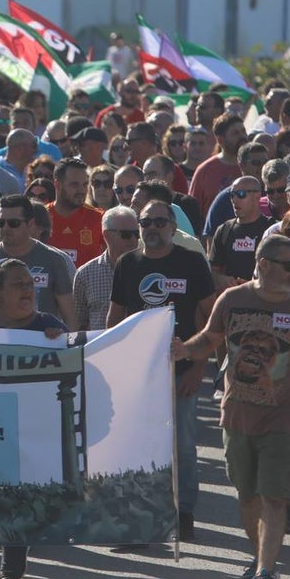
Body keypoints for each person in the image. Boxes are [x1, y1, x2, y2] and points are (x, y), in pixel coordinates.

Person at [173, 235, 290, 579]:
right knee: (247, 496)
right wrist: (183, 349)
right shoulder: (233, 300)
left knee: (274, 497)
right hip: (236, 415)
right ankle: (259, 558)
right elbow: (209, 338)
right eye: (289, 265)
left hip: (282, 418)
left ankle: (265, 571)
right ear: (263, 263)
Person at [107, 200, 215, 541]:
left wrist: (200, 366)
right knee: (137, 445)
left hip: (181, 372)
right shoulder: (128, 263)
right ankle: (141, 514)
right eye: (145, 221)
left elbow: (212, 320)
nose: (152, 227)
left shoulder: (192, 262)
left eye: (159, 221)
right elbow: (115, 319)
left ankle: (183, 512)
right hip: (140, 376)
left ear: (172, 227)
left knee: (181, 446)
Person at [0, 258, 68, 579]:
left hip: (33, 429)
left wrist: (61, 341)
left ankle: (10, 573)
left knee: (17, 500)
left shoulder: (48, 325)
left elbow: (78, 366)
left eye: (30, 283)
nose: (28, 290)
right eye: (18, 284)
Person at [0, 195, 77, 329]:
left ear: (30, 224)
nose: (6, 228)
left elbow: (70, 316)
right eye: (1, 223)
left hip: (40, 342)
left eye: (13, 223)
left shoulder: (53, 259)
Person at [73, 205, 140, 331]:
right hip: (101, 348)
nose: (133, 240)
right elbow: (78, 322)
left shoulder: (147, 270)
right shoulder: (85, 274)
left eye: (137, 234)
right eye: (126, 234)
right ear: (107, 236)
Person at [209, 176, 274, 290]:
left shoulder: (271, 229)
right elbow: (212, 271)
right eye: (232, 195)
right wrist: (222, 280)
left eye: (241, 194)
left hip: (263, 300)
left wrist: (253, 284)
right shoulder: (224, 230)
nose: (234, 200)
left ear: (257, 195)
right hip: (232, 300)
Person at [46, 158, 105, 267]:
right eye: (74, 185)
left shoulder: (99, 218)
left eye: (85, 184)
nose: (81, 190)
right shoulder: (40, 217)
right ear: (58, 185)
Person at [189, 114, 247, 218]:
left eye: (243, 131)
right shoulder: (205, 170)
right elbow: (192, 210)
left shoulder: (254, 165)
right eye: (235, 133)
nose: (242, 136)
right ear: (220, 140)